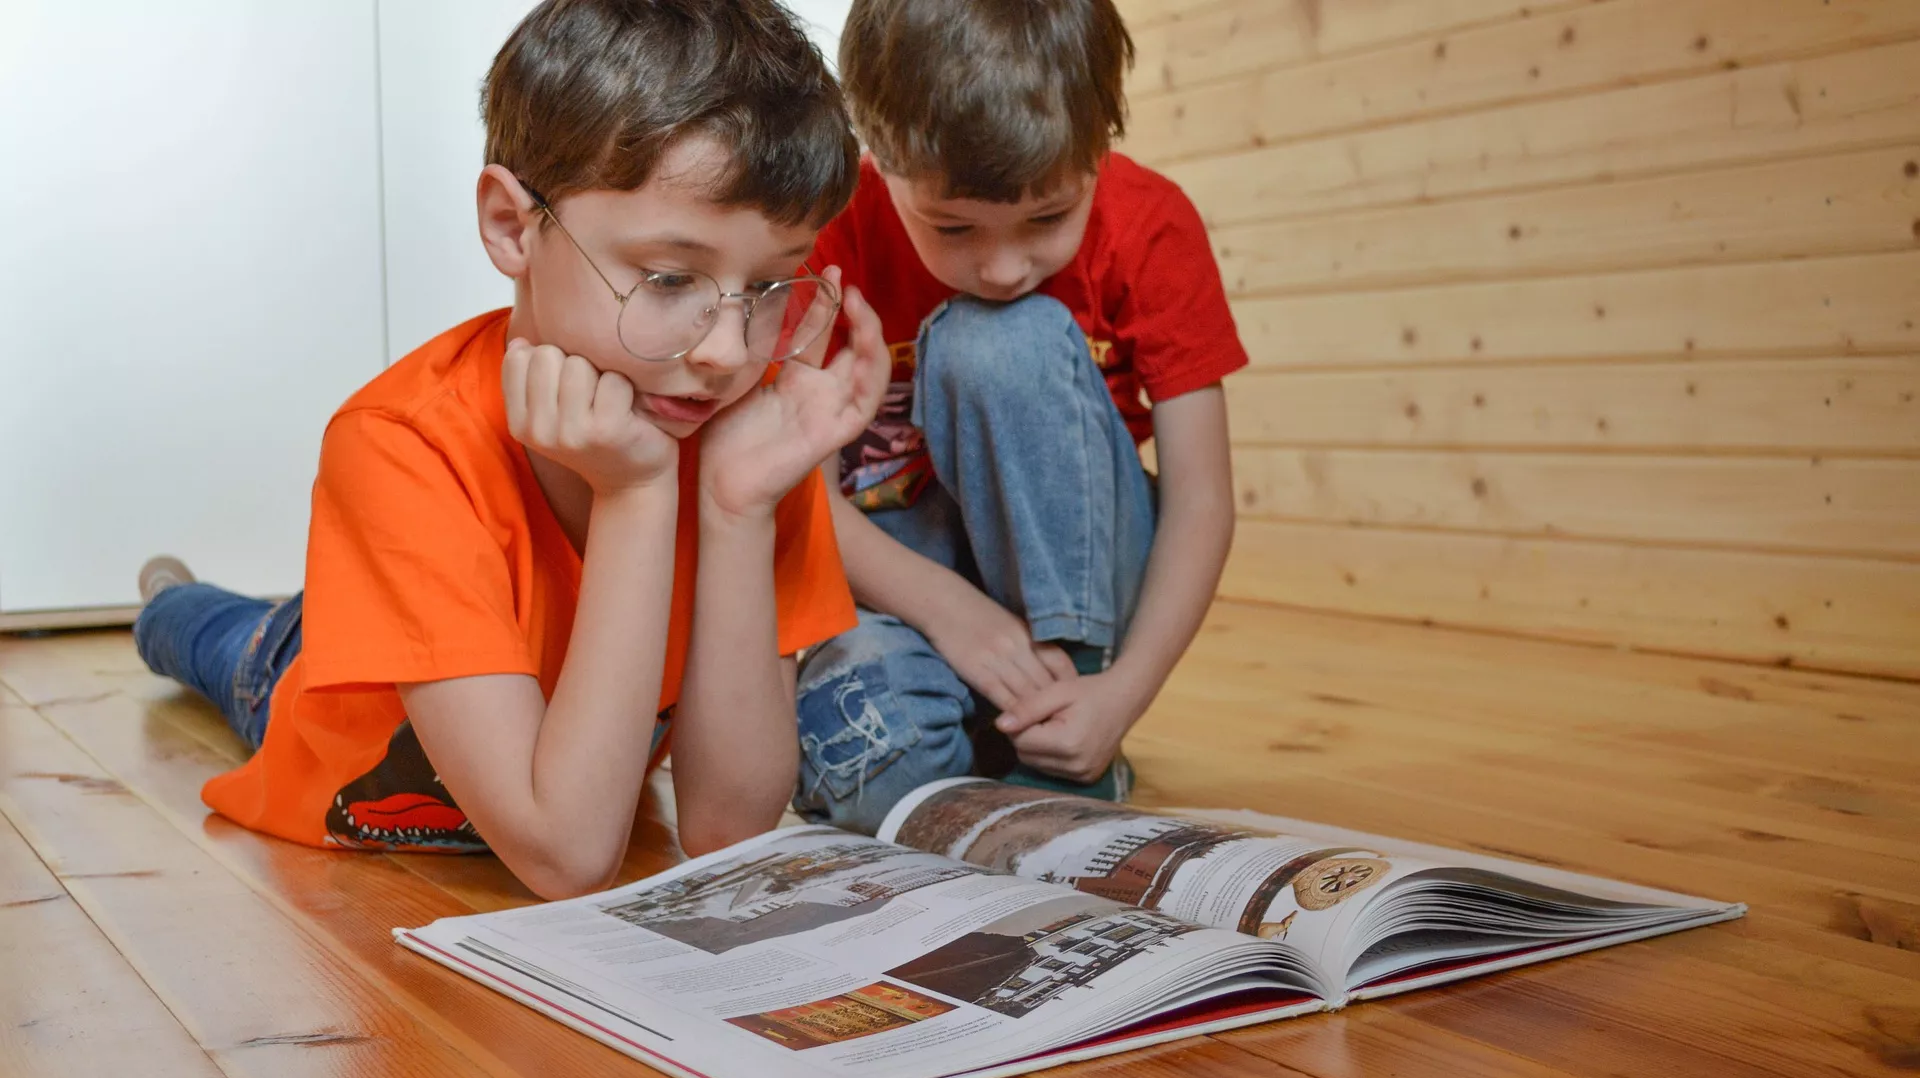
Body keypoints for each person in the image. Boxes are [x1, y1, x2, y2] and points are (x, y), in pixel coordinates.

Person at [132, 0, 886, 899]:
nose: (726, 350)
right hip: (304, 680)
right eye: (670, 278)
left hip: (474, 649)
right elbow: (567, 856)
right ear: (510, 224)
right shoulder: (398, 446)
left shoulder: (740, 440)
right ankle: (167, 592)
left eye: (767, 285)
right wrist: (639, 495)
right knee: (222, 641)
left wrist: (734, 511)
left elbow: (728, 827)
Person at [791, 0, 1247, 834]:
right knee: (867, 766)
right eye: (953, 226)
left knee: (996, 341)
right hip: (905, 582)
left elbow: (1202, 502)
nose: (1002, 266)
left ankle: (1063, 723)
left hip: (1086, 582)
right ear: (879, 158)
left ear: (1099, 142)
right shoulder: (825, 235)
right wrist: (948, 611)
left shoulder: (1152, 224)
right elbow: (805, 505)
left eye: (1048, 218)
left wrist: (1118, 696)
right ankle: (997, 745)